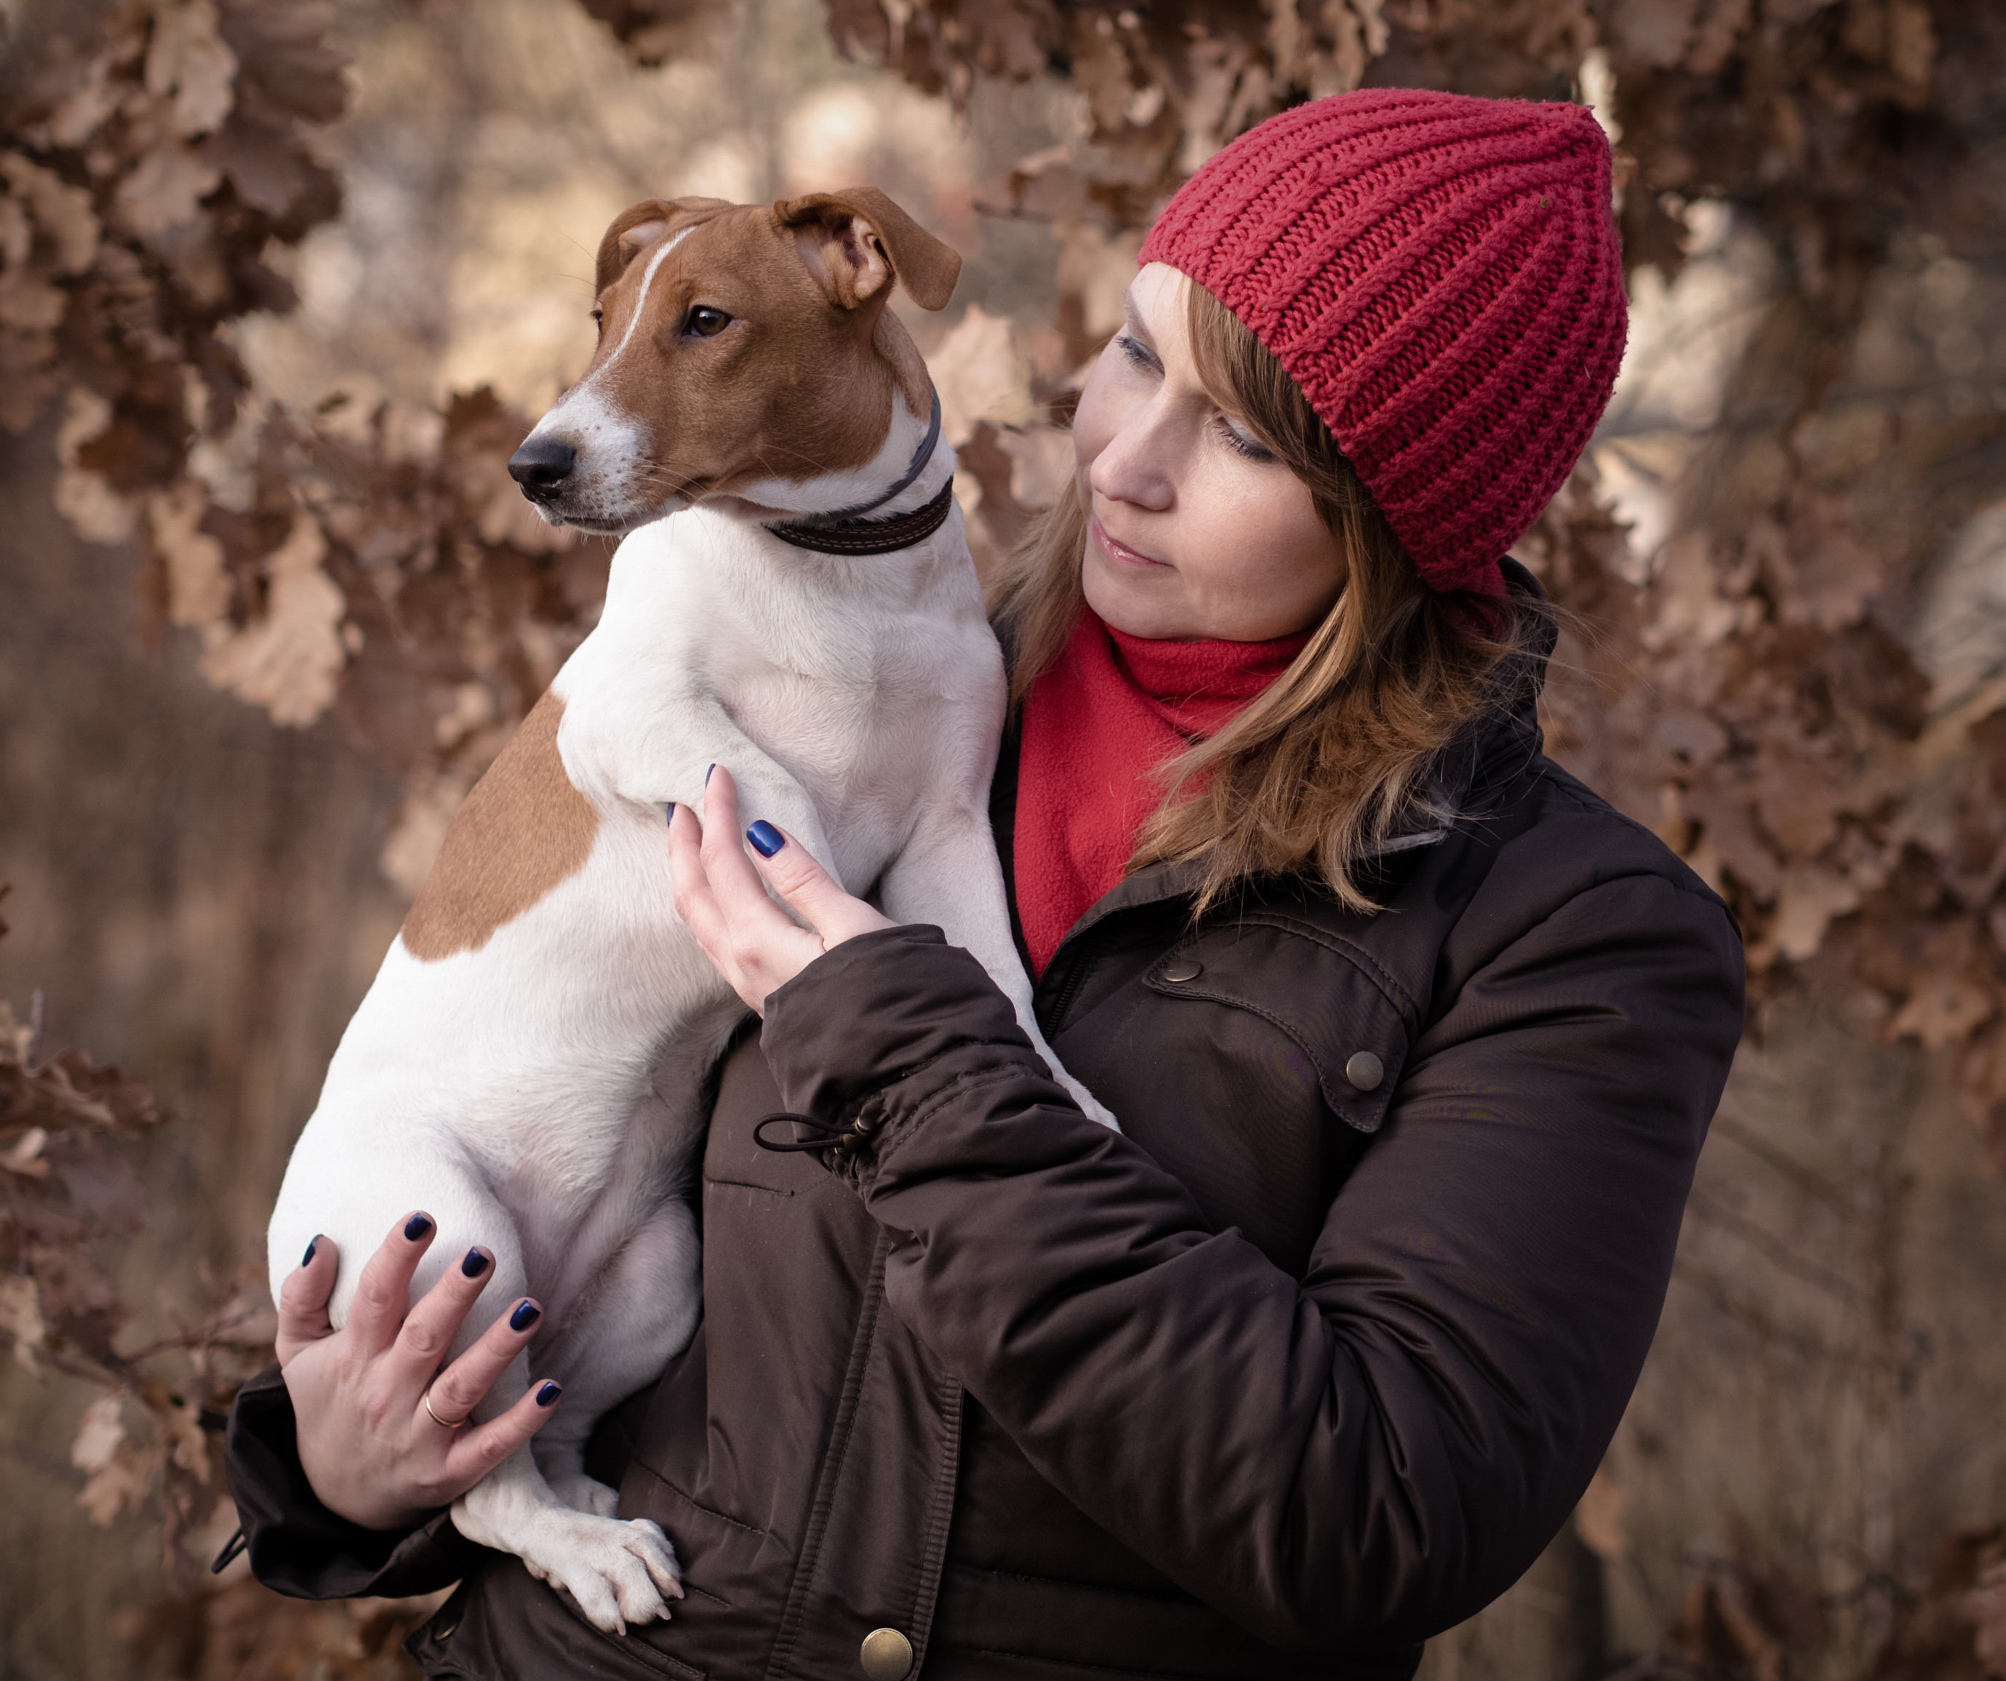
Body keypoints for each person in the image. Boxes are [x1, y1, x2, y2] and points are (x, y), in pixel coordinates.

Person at [226, 88, 1745, 1680]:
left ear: (1396, 518)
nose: (1127, 460)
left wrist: (905, 1043)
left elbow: (1378, 1519)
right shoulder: (862, 670)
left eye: (1241, 433)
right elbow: (522, 1116)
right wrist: (337, 1469)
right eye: (1142, 355)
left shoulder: (1575, 932)